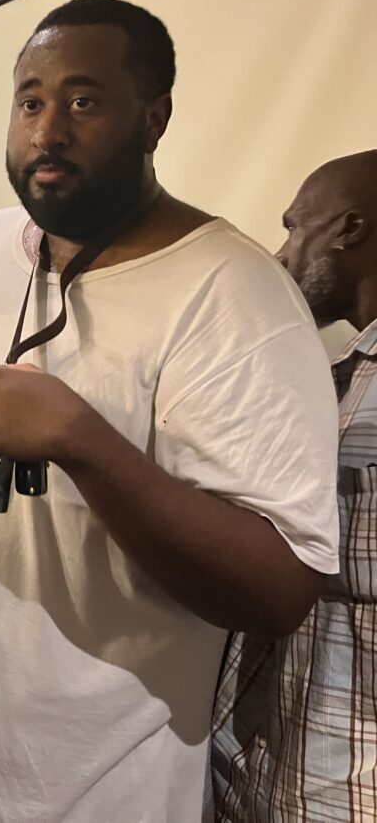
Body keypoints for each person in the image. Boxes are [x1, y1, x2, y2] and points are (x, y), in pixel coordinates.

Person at [0, 0, 340, 822]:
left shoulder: (235, 296)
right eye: (31, 101)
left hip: (70, 788)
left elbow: (280, 586)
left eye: (83, 101)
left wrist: (85, 443)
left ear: (153, 117)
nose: (47, 131)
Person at [212, 150, 377, 821]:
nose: (280, 255)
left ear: (349, 228)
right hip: (263, 766)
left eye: (294, 227)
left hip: (345, 787)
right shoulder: (334, 377)